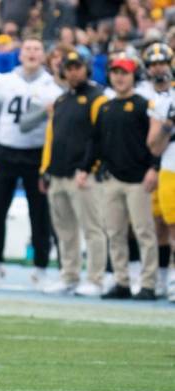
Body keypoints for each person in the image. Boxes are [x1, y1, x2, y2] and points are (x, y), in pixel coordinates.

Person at [77, 56, 159, 301]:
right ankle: (121, 281)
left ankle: (148, 283)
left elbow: (155, 142)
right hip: (111, 178)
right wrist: (86, 167)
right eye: (115, 72)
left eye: (124, 73)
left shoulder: (144, 105)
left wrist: (153, 167)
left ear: (134, 76)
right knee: (115, 232)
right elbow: (96, 141)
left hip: (138, 180)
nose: (119, 77)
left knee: (144, 232)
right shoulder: (106, 107)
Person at [0, 37, 63, 289]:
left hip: (36, 155)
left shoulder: (53, 85)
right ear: (20, 54)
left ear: (44, 55)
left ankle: (40, 269)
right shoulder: (4, 82)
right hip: (5, 151)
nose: (31, 53)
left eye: (37, 49)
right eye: (27, 49)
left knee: (39, 214)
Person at [39, 50, 107, 297]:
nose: (73, 71)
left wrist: (90, 168)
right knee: (64, 229)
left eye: (77, 66)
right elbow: (51, 137)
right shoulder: (61, 100)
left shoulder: (97, 98)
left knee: (92, 228)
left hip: (82, 174)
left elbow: (100, 137)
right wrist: (45, 170)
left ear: (86, 68)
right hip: (58, 173)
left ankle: (95, 279)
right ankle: (69, 275)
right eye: (68, 67)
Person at [140, 42, 173, 298]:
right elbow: (153, 145)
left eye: (163, 62)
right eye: (154, 63)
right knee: (165, 225)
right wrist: (169, 124)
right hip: (167, 166)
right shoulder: (158, 100)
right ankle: (166, 278)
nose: (159, 67)